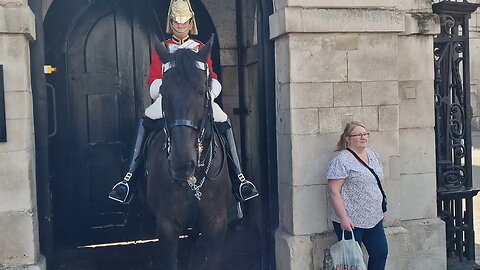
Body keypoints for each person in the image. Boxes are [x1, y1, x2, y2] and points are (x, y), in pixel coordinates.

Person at [108, 0, 259, 204]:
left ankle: (239, 179)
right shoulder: (163, 49)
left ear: (191, 23)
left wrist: (209, 92)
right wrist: (163, 91)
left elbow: (212, 76)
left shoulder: (200, 48)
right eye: (176, 22)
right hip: (169, 99)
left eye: (184, 22)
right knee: (147, 118)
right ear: (170, 23)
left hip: (197, 99)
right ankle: (129, 180)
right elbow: (154, 79)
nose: (180, 26)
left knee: (224, 120)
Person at [326, 121, 388, 270]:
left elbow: (377, 182)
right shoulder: (341, 161)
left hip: (374, 217)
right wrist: (343, 218)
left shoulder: (373, 155)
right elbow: (333, 190)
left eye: (365, 134)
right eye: (358, 134)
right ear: (348, 138)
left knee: (380, 252)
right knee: (352, 262)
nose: (363, 137)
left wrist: (383, 207)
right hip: (352, 220)